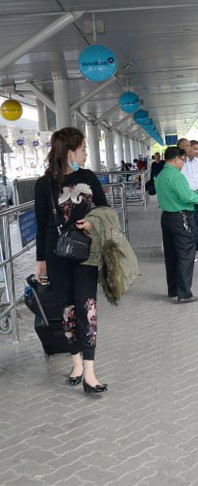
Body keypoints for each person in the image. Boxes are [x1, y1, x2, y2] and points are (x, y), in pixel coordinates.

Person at [33, 127, 109, 394]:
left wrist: (92, 222)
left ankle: (90, 371)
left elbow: (104, 208)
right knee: (67, 308)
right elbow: (41, 226)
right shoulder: (44, 184)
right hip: (56, 255)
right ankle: (76, 362)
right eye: (83, 148)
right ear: (69, 152)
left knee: (87, 306)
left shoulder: (88, 177)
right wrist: (40, 260)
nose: (86, 153)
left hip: (87, 252)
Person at [156, 146, 198, 304]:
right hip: (181, 217)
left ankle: (173, 290)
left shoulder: (161, 175)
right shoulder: (177, 176)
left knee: (171, 256)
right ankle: (184, 293)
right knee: (185, 255)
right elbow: (186, 196)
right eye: (183, 160)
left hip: (167, 217)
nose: (183, 163)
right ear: (176, 158)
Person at [177, 138, 198, 251]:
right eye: (191, 148)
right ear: (183, 149)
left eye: (195, 149)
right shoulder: (181, 162)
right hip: (192, 194)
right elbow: (186, 181)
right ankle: (195, 243)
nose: (194, 151)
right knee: (194, 221)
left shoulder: (196, 162)